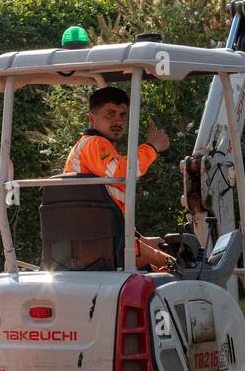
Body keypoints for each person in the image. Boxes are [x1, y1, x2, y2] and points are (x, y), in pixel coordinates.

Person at [64, 87, 176, 271]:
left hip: (100, 239)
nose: (118, 120)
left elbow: (107, 207)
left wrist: (140, 240)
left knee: (160, 267)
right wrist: (152, 146)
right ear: (92, 118)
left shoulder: (95, 147)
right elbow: (123, 171)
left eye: (123, 115)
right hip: (103, 243)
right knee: (180, 267)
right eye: (110, 114)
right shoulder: (94, 143)